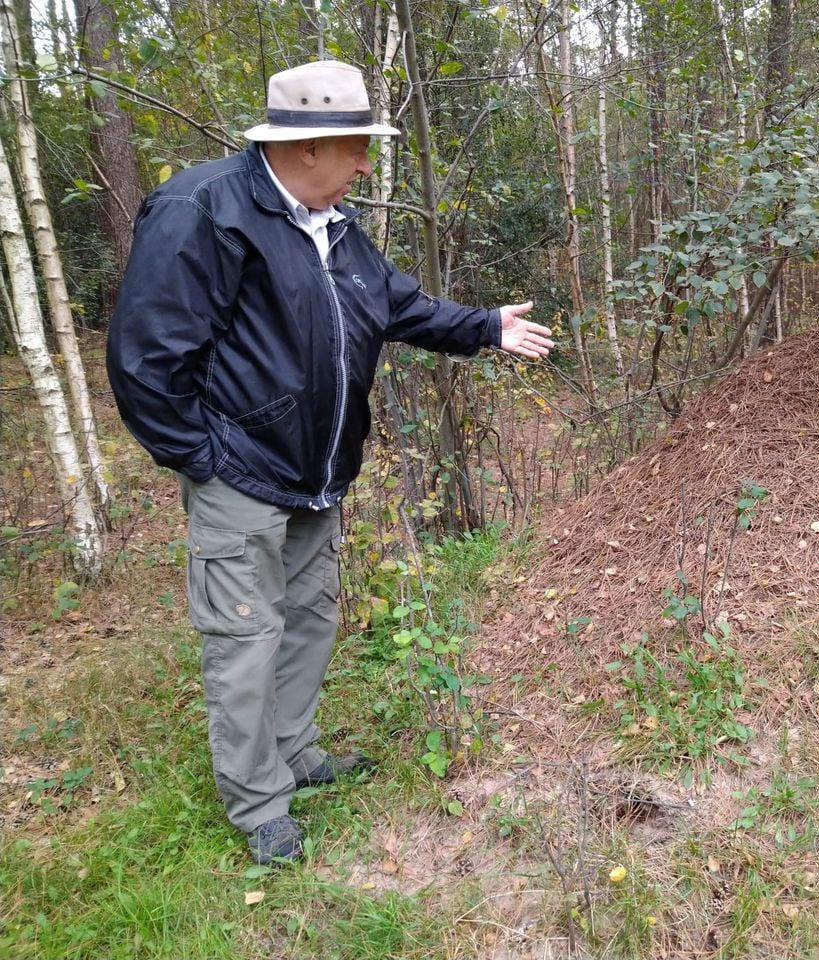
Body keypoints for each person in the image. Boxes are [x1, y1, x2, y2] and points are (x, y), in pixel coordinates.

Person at [106, 60, 554, 865]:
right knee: (244, 636)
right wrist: (202, 459)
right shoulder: (202, 210)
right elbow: (146, 358)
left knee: (311, 618)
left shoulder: (336, 226)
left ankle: (295, 751)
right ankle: (258, 803)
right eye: (355, 147)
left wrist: (485, 326)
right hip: (239, 472)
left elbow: (399, 306)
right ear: (307, 146)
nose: (365, 164)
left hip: (320, 472)